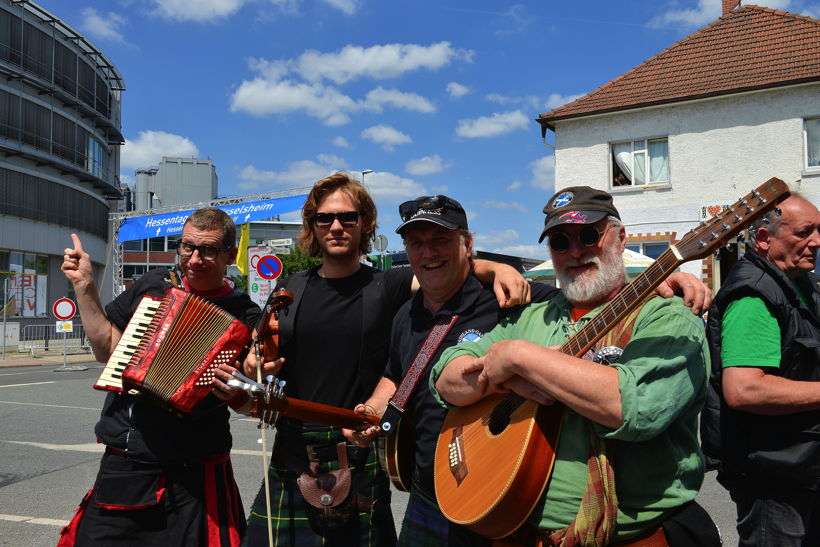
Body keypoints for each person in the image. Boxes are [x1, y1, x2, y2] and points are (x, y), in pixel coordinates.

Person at [348, 190, 714, 546]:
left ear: (620, 238)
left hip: (626, 534)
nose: (574, 251)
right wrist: (506, 378)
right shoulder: (530, 316)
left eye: (588, 235)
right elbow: (442, 375)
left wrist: (519, 357)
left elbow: (637, 408)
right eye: (559, 241)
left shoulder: (659, 315)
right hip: (471, 497)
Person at [241, 174, 529, 546]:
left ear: (365, 224)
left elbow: (442, 268)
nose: (336, 226)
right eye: (324, 218)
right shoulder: (292, 287)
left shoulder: (387, 285)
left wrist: (499, 269)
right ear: (312, 225)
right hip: (291, 448)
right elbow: (263, 352)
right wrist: (255, 364)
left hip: (354, 446)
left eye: (348, 217)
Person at [57, 207, 262, 546]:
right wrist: (84, 286)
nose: (194, 259)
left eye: (208, 250)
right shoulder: (153, 286)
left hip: (196, 470)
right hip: (128, 460)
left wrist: (238, 392)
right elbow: (109, 348)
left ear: (229, 255)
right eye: (187, 247)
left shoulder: (245, 315)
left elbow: (251, 403)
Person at [700, 194, 820, 546]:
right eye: (804, 232)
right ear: (765, 240)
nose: (817, 241)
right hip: (774, 476)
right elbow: (745, 388)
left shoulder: (798, 283)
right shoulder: (755, 295)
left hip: (800, 466)